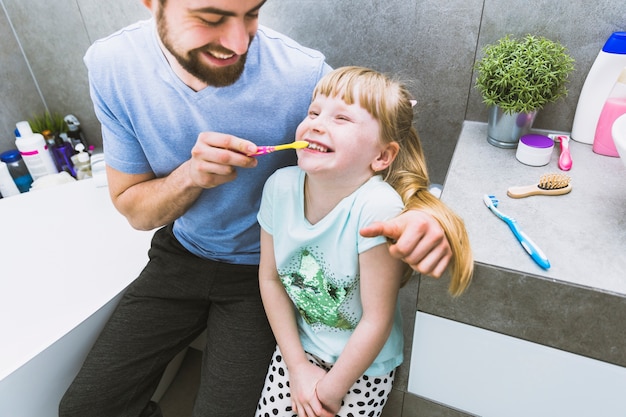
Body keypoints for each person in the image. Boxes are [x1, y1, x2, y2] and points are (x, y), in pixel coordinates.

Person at [59, 1, 462, 416]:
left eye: (252, 13)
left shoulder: (303, 74)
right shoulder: (111, 66)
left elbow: (378, 157)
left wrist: (426, 215)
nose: (238, 41)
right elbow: (136, 213)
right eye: (211, 18)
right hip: (179, 255)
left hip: (257, 275)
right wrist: (190, 176)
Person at [254, 66, 472, 417]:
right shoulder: (278, 188)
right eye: (313, 112)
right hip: (300, 348)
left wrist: (329, 391)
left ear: (382, 157)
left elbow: (376, 319)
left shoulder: (377, 208)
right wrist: (296, 366)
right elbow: (270, 279)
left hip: (364, 367)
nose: (316, 123)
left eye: (342, 118)